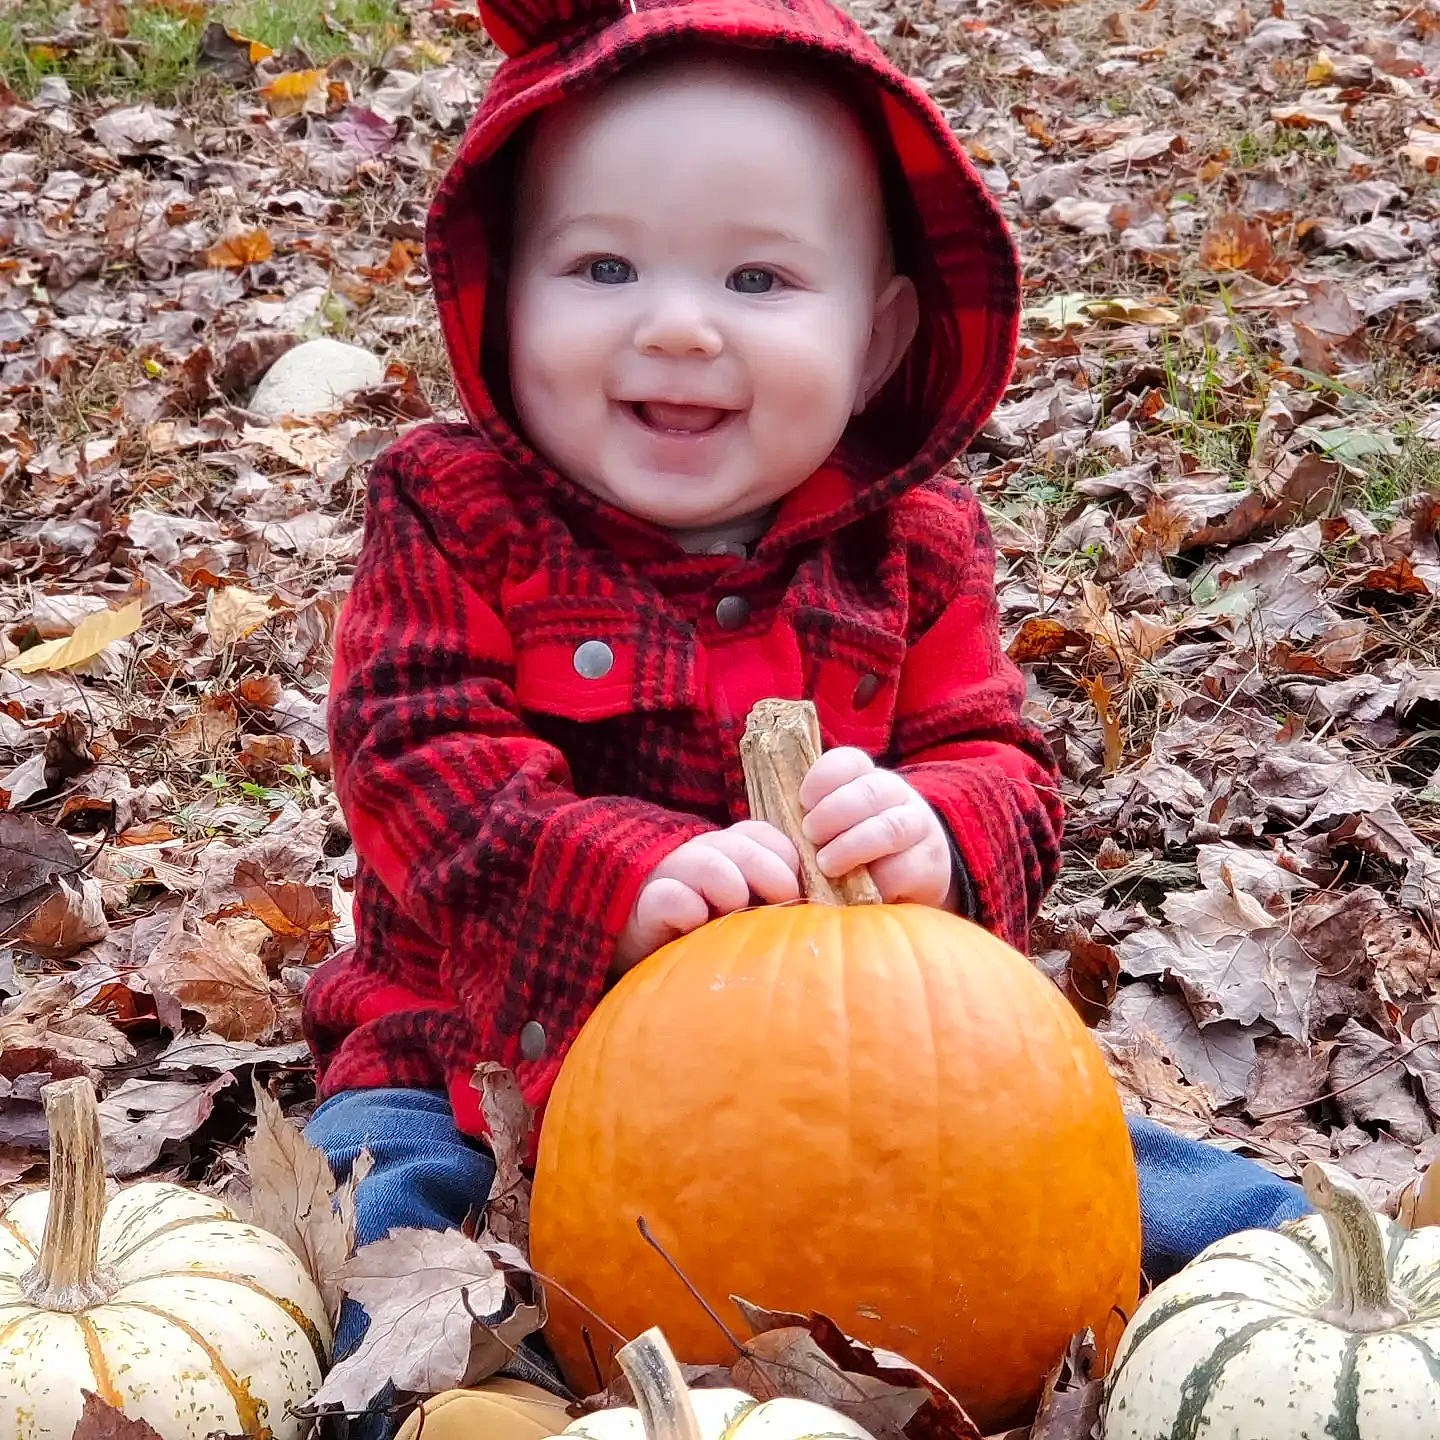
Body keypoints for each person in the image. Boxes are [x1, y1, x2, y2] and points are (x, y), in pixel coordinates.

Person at [300, 0, 1310, 1425]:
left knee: (1100, 1166)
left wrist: (936, 829)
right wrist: (617, 870)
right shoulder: (458, 514)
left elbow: (1001, 763)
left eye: (761, 280)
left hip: (848, 1101)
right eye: (600, 264)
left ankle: (1321, 1305)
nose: (676, 325)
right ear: (501, 295)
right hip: (470, 1060)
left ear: (882, 333)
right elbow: (412, 757)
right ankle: (455, 1402)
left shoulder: (915, 549)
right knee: (389, 1220)